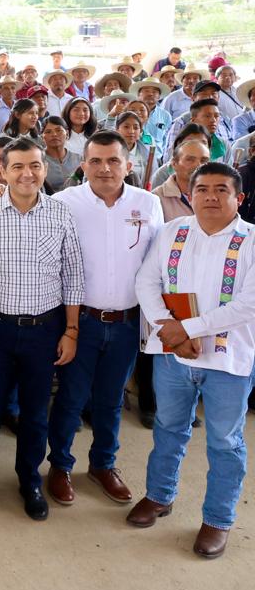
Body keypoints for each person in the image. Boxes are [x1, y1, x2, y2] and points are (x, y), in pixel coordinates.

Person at [130, 162, 254, 559]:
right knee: (168, 428)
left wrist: (187, 329)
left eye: (222, 189)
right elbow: (147, 281)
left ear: (240, 198)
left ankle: (218, 519)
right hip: (174, 358)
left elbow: (247, 305)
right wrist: (168, 327)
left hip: (228, 362)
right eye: (202, 189)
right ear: (191, 194)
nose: (211, 196)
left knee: (224, 442)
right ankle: (160, 495)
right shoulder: (172, 231)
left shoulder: (251, 241)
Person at [41, 131, 163, 511]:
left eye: (113, 161)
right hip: (82, 320)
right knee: (72, 398)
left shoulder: (148, 203)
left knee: (111, 400)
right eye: (95, 161)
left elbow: (158, 264)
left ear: (128, 165)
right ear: (83, 165)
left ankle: (102, 464)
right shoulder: (64, 202)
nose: (105, 168)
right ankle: (59, 466)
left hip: (128, 322)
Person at [0, 139, 84, 521]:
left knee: (35, 412)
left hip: (44, 330)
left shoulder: (60, 213)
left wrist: (71, 331)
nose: (26, 173)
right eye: (17, 166)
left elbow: (73, 276)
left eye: (34, 166)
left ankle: (30, 479)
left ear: (44, 170)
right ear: (2, 170)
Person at [40, 116, 81, 192]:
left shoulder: (79, 159)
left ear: (67, 134)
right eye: (48, 132)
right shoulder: (39, 161)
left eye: (59, 130)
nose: (54, 134)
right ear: (42, 137)